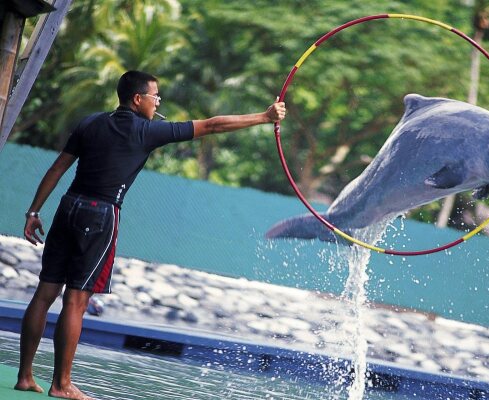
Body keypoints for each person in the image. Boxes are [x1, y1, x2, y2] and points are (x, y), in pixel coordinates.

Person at [15, 70, 286, 399]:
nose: (159, 102)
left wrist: (33, 211)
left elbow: (58, 167)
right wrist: (263, 116)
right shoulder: (147, 132)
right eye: (155, 96)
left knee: (44, 293)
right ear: (138, 99)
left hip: (68, 206)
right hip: (100, 214)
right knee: (76, 300)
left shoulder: (90, 123)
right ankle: (62, 385)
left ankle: (26, 377)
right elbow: (213, 125)